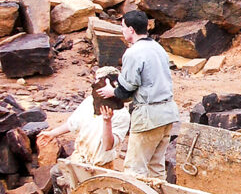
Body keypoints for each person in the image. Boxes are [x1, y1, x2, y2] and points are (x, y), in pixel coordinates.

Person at [97, 10, 179, 180]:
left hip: (149, 116)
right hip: (168, 113)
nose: (122, 31)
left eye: (123, 27)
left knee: (135, 169)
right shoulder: (158, 48)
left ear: (131, 30)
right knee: (156, 167)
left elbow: (125, 90)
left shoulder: (134, 53)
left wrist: (111, 91)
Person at [38, 67, 131, 166]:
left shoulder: (121, 114)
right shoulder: (89, 101)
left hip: (100, 165)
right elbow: (73, 124)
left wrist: (107, 122)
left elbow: (108, 145)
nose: (95, 84)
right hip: (79, 158)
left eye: (100, 81)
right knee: (56, 172)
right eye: (96, 80)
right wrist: (52, 133)